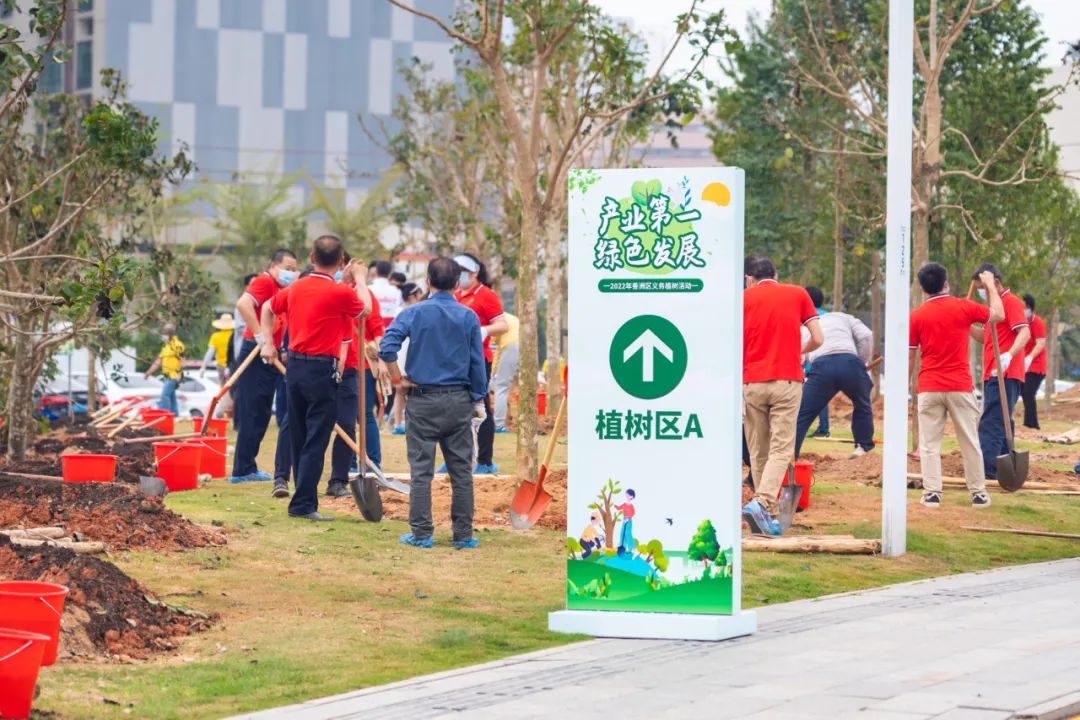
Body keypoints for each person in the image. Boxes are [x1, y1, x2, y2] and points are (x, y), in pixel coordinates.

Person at [378, 256, 487, 549]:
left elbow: (387, 348)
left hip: (422, 401)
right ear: (457, 283)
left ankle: (422, 533)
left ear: (428, 282)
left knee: (421, 472)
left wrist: (398, 379)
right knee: (461, 472)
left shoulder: (413, 313)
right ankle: (463, 535)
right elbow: (477, 363)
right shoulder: (468, 317)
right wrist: (478, 398)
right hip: (458, 400)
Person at [262, 236, 369, 521]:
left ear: (311, 257)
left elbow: (267, 308)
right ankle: (303, 504)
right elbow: (366, 309)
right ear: (341, 261)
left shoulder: (296, 287)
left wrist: (268, 343)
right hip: (322, 369)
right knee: (316, 438)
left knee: (299, 433)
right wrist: (360, 279)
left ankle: (301, 498)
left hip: (295, 367)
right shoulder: (340, 292)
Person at [741, 254, 822, 536]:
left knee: (758, 450)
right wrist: (798, 351)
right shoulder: (798, 294)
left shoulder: (741, 300)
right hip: (787, 380)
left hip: (752, 382)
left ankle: (767, 516)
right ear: (776, 274)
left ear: (749, 279)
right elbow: (818, 338)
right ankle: (763, 503)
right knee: (781, 448)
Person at [909, 264, 1003, 508]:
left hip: (929, 386)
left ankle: (932, 493)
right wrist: (990, 285)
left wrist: (909, 386)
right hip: (960, 386)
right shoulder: (964, 307)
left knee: (929, 445)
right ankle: (978, 492)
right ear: (946, 283)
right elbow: (998, 314)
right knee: (970, 441)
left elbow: (911, 355)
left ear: (922, 289)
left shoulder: (916, 315)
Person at [229, 249, 298, 484]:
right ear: (273, 265)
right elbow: (243, 304)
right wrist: (261, 336)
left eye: (294, 269)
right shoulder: (264, 282)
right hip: (256, 350)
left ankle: (248, 466)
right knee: (253, 411)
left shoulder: (281, 288)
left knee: (262, 411)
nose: (291, 272)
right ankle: (242, 469)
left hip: (271, 352)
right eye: (287, 268)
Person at [793, 286, 875, 460]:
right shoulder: (842, 316)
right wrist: (860, 362)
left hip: (822, 368)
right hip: (850, 362)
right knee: (862, 404)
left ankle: (790, 456)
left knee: (802, 414)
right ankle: (863, 447)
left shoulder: (803, 327)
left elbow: (799, 356)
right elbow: (867, 336)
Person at [969, 263, 1031, 482]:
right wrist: (966, 325)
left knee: (991, 422)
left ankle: (988, 470)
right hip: (992, 373)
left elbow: (1025, 332)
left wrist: (1009, 355)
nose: (981, 293)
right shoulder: (993, 309)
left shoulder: (1010, 302)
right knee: (1002, 420)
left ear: (995, 283)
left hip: (1005, 373)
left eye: (983, 288)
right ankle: (1004, 468)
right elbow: (985, 337)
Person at [327, 269, 385, 498]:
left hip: (360, 363)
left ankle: (372, 462)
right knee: (342, 420)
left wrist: (382, 359)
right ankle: (350, 462)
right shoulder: (330, 291)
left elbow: (376, 325)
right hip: (332, 360)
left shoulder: (364, 294)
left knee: (364, 415)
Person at [453, 253, 508, 474]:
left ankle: (485, 461)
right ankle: (457, 459)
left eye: (463, 271)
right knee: (456, 410)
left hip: (478, 361)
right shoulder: (455, 295)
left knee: (481, 407)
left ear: (475, 272)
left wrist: (484, 330)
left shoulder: (486, 295)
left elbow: (502, 325)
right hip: (455, 361)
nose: (459, 275)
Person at [390, 282, 425, 435]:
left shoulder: (399, 310)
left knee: (401, 391)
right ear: (414, 295)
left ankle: (399, 423)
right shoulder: (417, 311)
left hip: (400, 356)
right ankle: (405, 422)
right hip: (410, 355)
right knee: (410, 390)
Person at [1021, 294, 1048, 430]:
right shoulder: (1022, 323)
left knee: (1028, 393)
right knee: (1025, 393)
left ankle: (1032, 424)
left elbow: (1041, 343)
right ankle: (1030, 424)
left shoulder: (1037, 322)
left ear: (1030, 308)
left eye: (1024, 307)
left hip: (1036, 366)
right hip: (1024, 366)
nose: (1022, 310)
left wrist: (1030, 357)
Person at [145, 323, 185, 415]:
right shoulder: (166, 347)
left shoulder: (178, 345)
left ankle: (164, 414)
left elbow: (182, 360)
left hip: (174, 376)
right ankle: (175, 416)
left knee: (165, 395)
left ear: (170, 334)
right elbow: (158, 362)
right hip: (167, 376)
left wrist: (180, 374)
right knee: (171, 397)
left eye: (165, 334)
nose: (163, 336)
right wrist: (148, 372)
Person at [491, 312, 520, 433]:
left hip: (511, 347)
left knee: (501, 387)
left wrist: (492, 372)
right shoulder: (510, 317)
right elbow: (499, 349)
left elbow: (498, 349)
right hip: (526, 345)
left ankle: (498, 425)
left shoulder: (495, 320)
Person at [201, 314, 234, 385]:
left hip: (221, 366)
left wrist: (203, 367)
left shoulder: (215, 336)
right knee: (234, 386)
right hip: (233, 365)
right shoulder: (235, 335)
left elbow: (210, 353)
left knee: (222, 386)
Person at [614, 489, 636, 555]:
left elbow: (633, 513)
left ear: (631, 496)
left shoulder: (631, 505)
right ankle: (622, 547)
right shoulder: (624, 504)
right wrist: (614, 505)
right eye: (626, 494)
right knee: (622, 533)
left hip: (629, 520)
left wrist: (628, 518)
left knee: (627, 533)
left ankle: (632, 548)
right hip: (624, 519)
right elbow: (619, 508)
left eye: (628, 495)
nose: (627, 496)